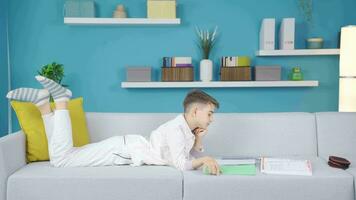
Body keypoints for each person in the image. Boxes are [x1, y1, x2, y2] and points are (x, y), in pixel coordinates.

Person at [6, 76, 221, 175]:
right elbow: (181, 164)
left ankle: (43, 106)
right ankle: (61, 102)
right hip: (121, 151)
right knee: (62, 160)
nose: (211, 118)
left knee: (60, 157)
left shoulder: (185, 128)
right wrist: (204, 159)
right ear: (195, 111)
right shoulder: (177, 129)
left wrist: (199, 141)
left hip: (123, 148)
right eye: (210, 113)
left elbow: (185, 152)